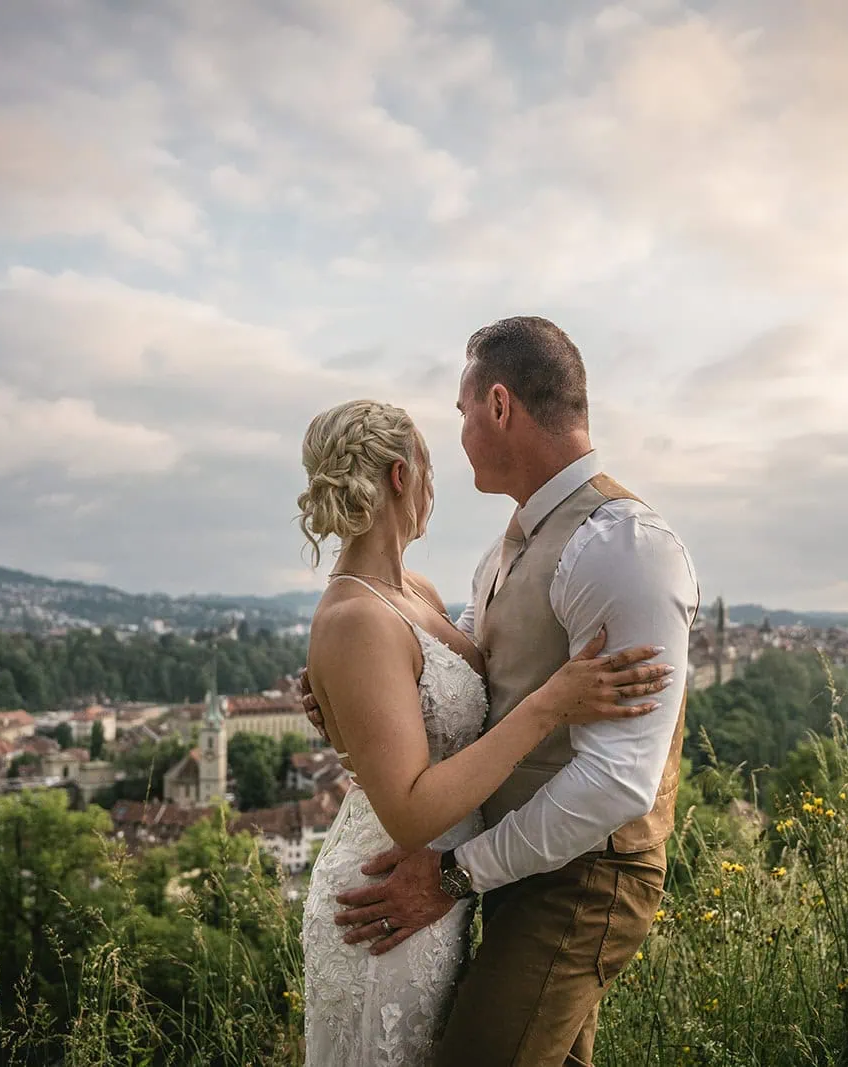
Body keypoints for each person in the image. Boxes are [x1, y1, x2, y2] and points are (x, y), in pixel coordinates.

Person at [305, 317, 699, 1066]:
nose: (455, 439)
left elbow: (619, 783)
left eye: (459, 414)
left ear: (497, 405)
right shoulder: (502, 553)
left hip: (584, 875)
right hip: (512, 868)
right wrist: (348, 691)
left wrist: (456, 873)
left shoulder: (624, 547)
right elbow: (445, 670)